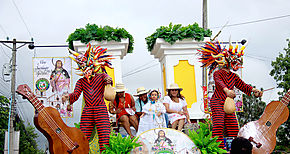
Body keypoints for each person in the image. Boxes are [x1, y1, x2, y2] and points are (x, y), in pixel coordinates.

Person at [199, 41, 263, 148]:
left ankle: (235, 148)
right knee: (218, 124)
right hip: (217, 102)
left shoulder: (234, 76)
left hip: (228, 105)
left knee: (233, 126)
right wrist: (227, 91)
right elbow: (220, 83)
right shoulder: (217, 73)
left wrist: (254, 91)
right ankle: (218, 148)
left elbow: (243, 86)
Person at [63, 44, 113, 152]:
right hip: (88, 110)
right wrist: (69, 97)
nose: (86, 69)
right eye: (83, 67)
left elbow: (108, 79)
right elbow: (76, 94)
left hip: (101, 109)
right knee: (83, 136)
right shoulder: (81, 82)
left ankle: (104, 152)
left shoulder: (101, 76)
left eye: (88, 66)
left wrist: (109, 80)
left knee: (105, 136)